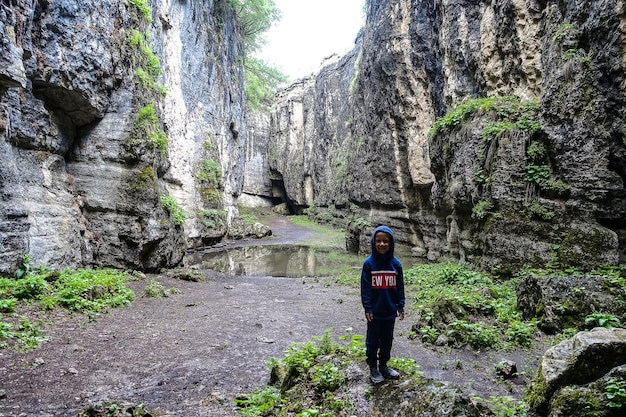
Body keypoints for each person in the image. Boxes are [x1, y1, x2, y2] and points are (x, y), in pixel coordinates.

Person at [360, 225, 405, 384]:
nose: (382, 244)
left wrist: (400, 305)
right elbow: (365, 289)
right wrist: (368, 307)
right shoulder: (368, 264)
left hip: (390, 312)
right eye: (378, 241)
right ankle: (373, 367)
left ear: (391, 243)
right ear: (373, 242)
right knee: (372, 341)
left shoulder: (396, 265)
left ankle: (384, 366)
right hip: (374, 313)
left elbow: (400, 287)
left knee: (387, 341)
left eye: (386, 241)